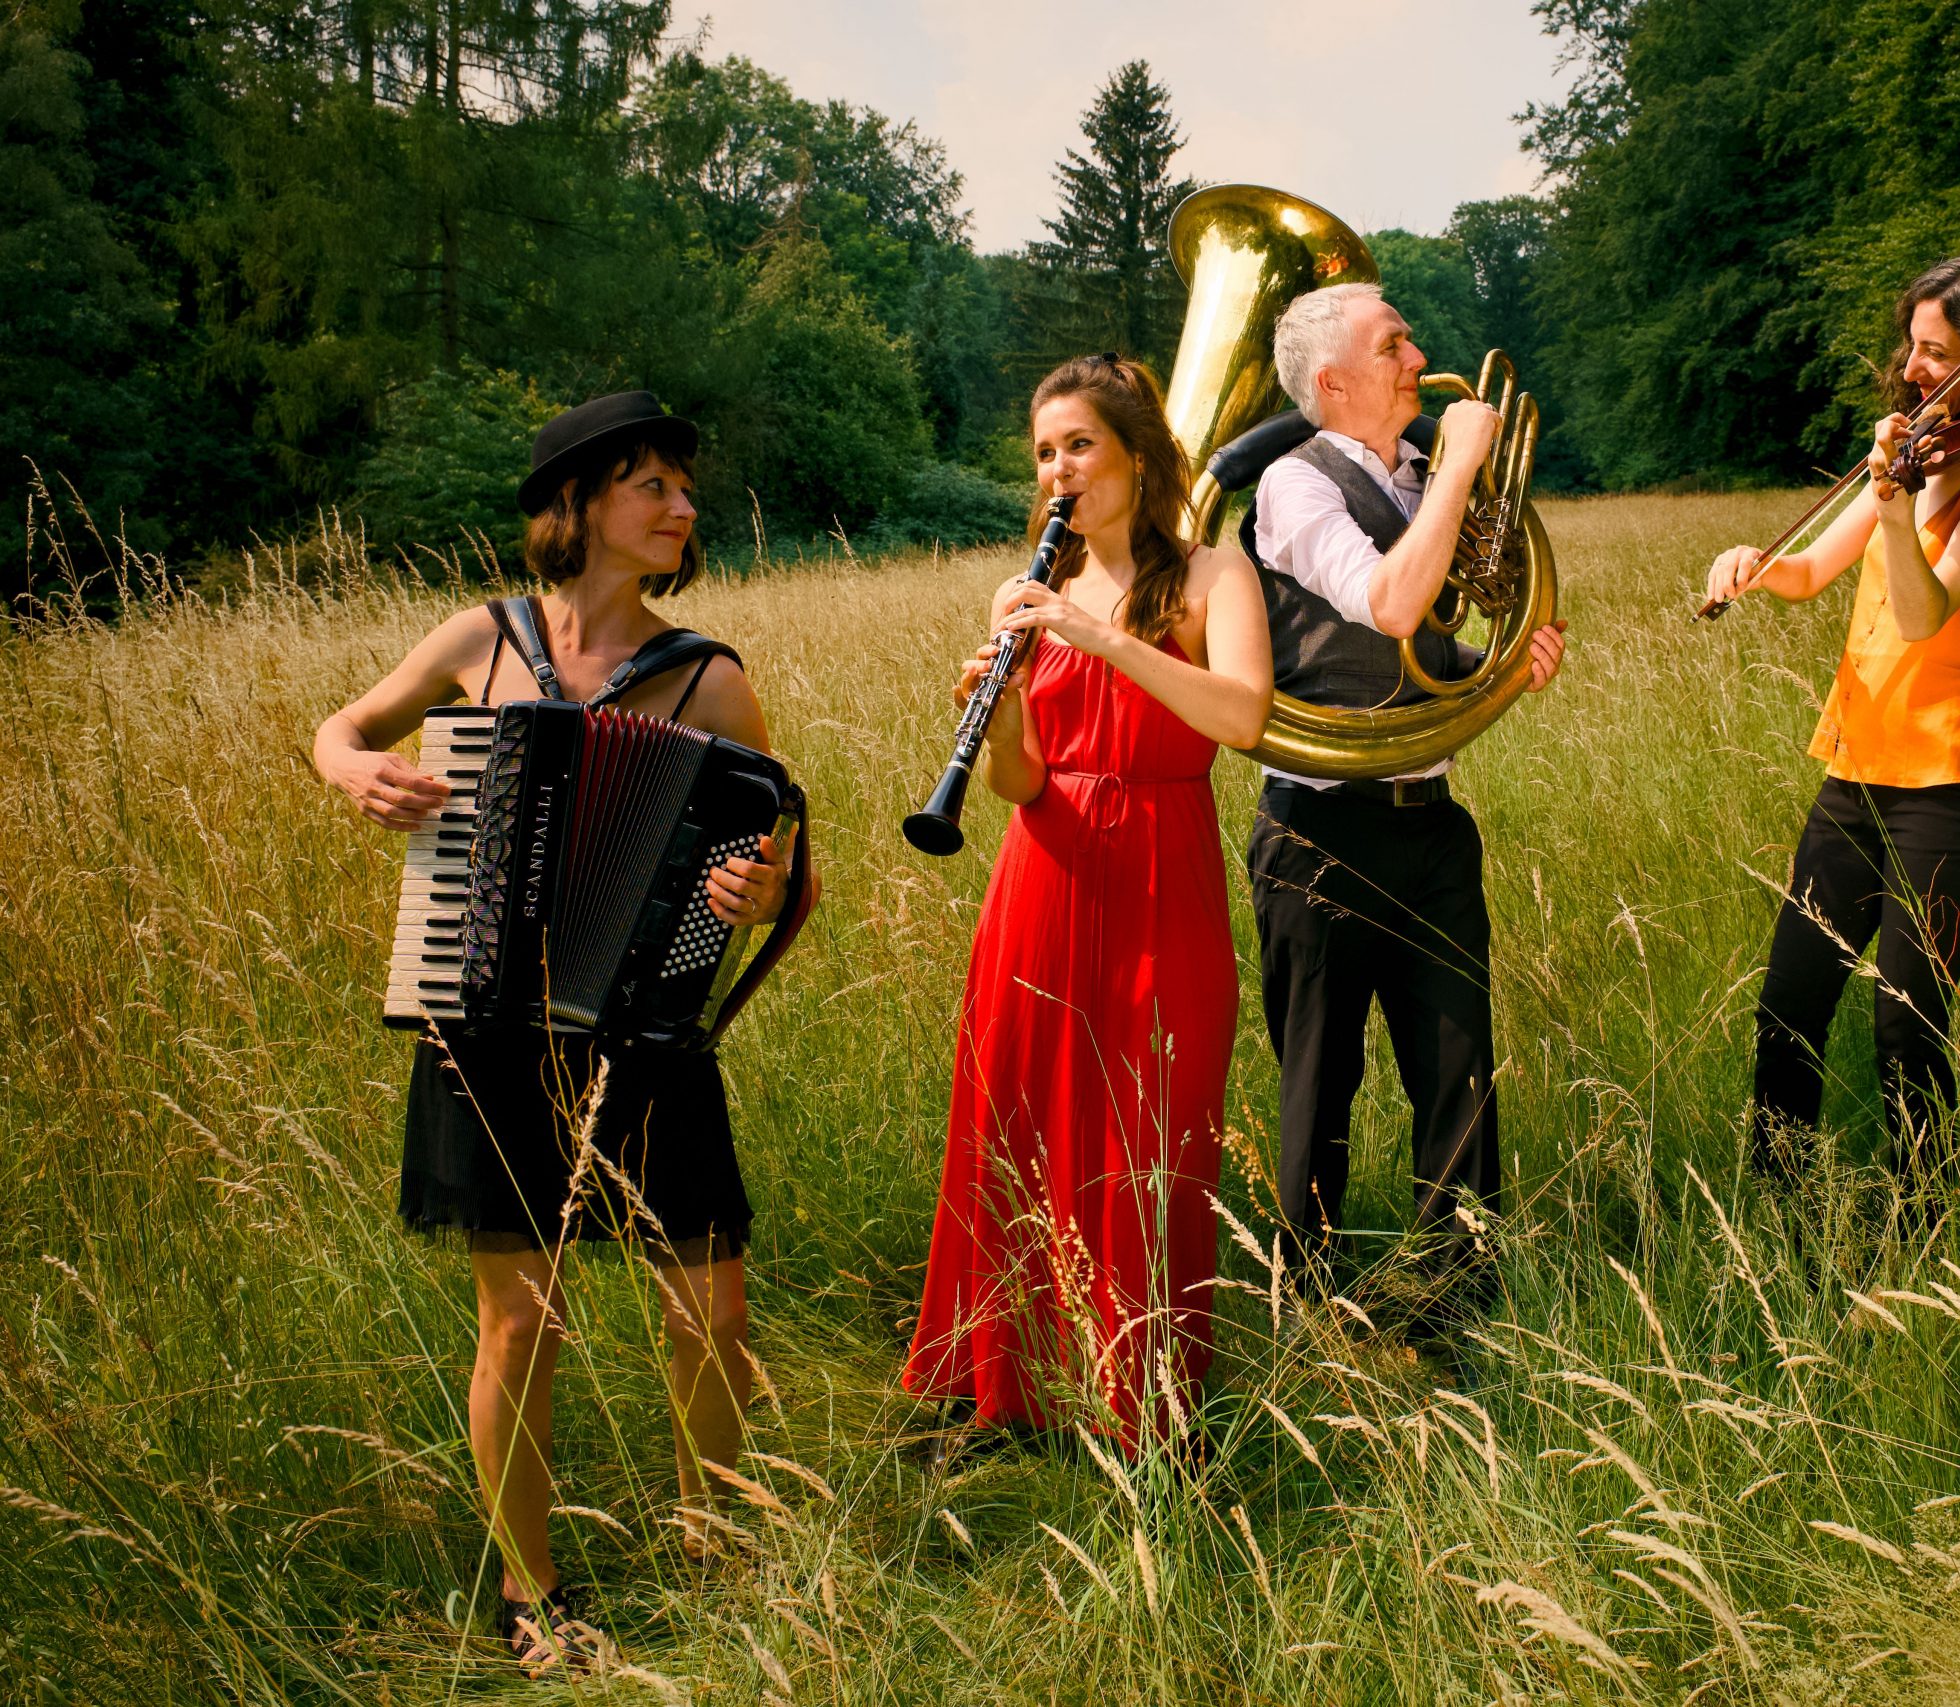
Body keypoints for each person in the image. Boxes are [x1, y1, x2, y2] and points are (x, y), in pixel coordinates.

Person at [311, 392, 798, 1671]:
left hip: (644, 1034)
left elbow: (780, 857)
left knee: (711, 1314)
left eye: (685, 486)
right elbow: (343, 727)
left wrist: (757, 893)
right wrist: (351, 767)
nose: (683, 506)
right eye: (653, 485)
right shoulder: (481, 640)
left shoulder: (706, 677)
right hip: (481, 1028)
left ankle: (714, 1549)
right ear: (576, 505)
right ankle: (533, 1593)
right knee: (520, 1325)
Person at [901, 355, 1273, 1457]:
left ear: (1136, 456)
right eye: (1043, 451)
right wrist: (1004, 710)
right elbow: (1019, 781)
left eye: (1078, 444)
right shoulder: (1024, 595)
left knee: (1153, 1136)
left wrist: (1099, 633)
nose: (1056, 469)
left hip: (1161, 871)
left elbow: (1242, 718)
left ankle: (1147, 1409)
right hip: (1044, 873)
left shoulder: (1214, 575)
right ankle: (1010, 1392)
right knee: (1017, 1124)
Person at [1701, 247, 1960, 1229]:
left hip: (1957, 787)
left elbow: (1924, 612)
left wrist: (1892, 509)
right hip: (1857, 771)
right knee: (1788, 1006)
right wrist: (1755, 561)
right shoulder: (1922, 447)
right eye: (1912, 346)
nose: (1911, 368)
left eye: (1937, 352)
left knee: (1904, 1026)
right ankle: (1783, 1218)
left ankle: (1924, 1231)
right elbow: (1810, 572)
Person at [1243, 283, 1567, 1329]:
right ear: (1334, 382)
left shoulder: (1422, 475)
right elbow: (1385, 601)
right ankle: (1305, 1308)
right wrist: (1463, 465)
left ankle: (1458, 1307)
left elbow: (1426, 639)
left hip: (1430, 823)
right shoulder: (1292, 485)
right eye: (1394, 345)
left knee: (1457, 1073)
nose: (1418, 357)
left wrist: (1498, 662)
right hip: (1318, 833)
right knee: (1319, 1084)